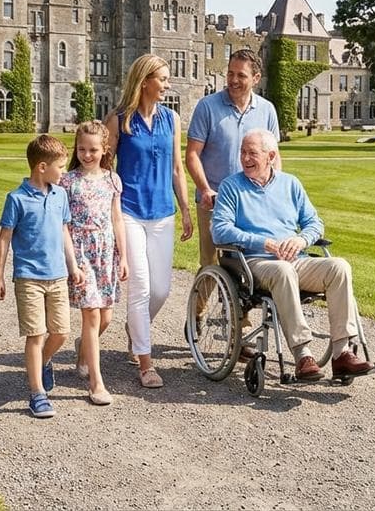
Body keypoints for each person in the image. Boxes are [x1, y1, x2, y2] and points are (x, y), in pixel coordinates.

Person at [210, 129, 375, 382]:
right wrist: (263, 242)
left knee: (339, 267)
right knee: (283, 270)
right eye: (243, 152)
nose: (245, 158)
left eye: (252, 153)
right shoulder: (231, 186)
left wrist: (301, 239)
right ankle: (303, 355)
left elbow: (314, 222)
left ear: (271, 156)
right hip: (254, 262)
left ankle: (341, 352)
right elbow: (220, 230)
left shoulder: (291, 184)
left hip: (295, 258)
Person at [105, 54, 193, 389]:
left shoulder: (172, 119)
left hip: (162, 214)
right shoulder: (120, 119)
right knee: (140, 287)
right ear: (145, 82)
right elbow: (103, 164)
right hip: (128, 211)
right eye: (163, 79)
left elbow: (176, 168)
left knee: (161, 289)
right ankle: (145, 362)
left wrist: (184, 209)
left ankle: (135, 329)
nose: (168, 85)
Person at [0, 134, 84, 418]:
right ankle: (37, 393)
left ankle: (40, 363)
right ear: (42, 167)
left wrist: (74, 267)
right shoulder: (17, 199)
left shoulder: (60, 195)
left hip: (57, 277)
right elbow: (4, 238)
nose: (64, 172)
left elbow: (64, 232)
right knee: (36, 334)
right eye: (60, 166)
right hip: (29, 277)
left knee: (61, 333)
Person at [186, 48, 280, 269]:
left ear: (256, 78)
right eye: (230, 73)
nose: (233, 80)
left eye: (241, 75)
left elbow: (274, 159)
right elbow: (192, 155)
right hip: (214, 201)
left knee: (252, 265)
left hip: (252, 201)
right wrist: (205, 189)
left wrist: (275, 192)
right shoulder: (207, 106)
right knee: (210, 265)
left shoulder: (267, 110)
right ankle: (198, 305)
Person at [61, 121, 129, 406]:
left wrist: (123, 255)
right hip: (81, 251)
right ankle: (96, 383)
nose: (87, 154)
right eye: (82, 149)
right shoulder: (67, 181)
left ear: (104, 150)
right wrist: (72, 262)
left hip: (105, 253)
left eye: (93, 150)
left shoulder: (112, 180)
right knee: (90, 315)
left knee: (106, 318)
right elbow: (62, 224)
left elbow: (117, 219)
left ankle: (83, 352)